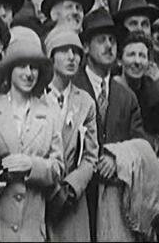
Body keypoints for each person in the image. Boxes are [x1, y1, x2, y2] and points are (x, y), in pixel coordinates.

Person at [72, 8, 146, 240]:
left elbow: (140, 145)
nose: (109, 46)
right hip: (78, 200)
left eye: (113, 40)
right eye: (101, 40)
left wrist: (117, 157)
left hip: (115, 201)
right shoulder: (73, 87)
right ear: (85, 47)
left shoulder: (126, 96)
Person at [0, 26, 64, 242]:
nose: (28, 73)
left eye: (34, 67)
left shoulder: (48, 112)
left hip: (33, 229)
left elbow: (58, 167)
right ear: (10, 70)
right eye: (21, 66)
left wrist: (32, 165)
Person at [44, 26, 99, 242]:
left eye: (76, 52)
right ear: (50, 56)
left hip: (73, 202)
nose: (71, 57)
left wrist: (70, 188)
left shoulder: (85, 102)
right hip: (43, 197)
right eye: (64, 50)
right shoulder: (37, 97)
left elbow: (91, 155)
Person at [115, 31, 159, 157]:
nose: (137, 61)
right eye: (131, 55)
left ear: (148, 62)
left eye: (142, 56)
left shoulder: (155, 97)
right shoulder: (109, 91)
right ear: (120, 60)